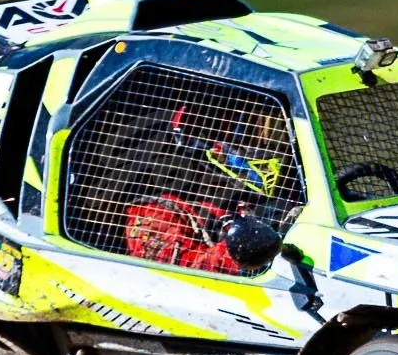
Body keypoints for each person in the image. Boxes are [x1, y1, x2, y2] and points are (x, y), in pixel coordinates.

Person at [122, 104, 295, 273]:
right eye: (243, 135)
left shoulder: (294, 184)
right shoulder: (153, 213)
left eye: (258, 136)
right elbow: (175, 276)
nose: (257, 145)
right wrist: (255, 246)